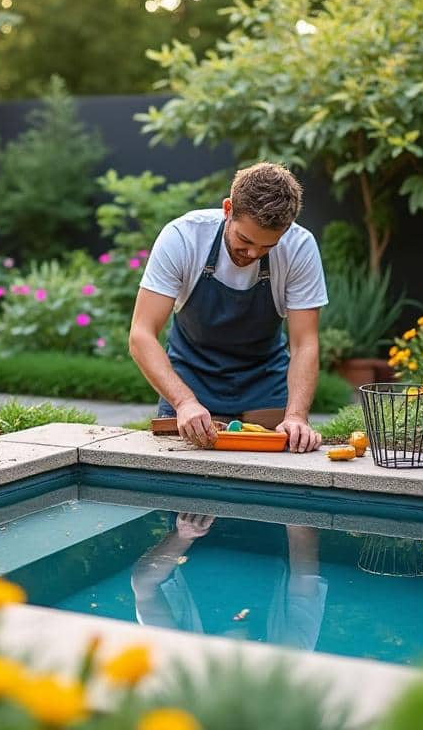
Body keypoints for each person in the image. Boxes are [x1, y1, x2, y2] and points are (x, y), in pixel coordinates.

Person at [129, 162, 327, 452]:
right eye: (245, 240)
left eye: (267, 246)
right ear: (228, 209)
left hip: (264, 380)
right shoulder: (183, 238)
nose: (253, 253)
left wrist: (296, 416)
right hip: (192, 378)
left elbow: (304, 343)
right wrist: (184, 402)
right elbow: (141, 334)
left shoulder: (299, 247)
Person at [130, 513, 328, 651]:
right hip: (267, 527)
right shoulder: (292, 655)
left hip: (194, 523)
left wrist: (183, 535)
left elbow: (144, 585)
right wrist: (294, 514)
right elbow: (304, 579)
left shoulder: (178, 655)